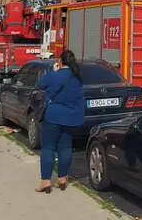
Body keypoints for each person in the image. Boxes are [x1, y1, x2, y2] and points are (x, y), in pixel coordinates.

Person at [35, 50, 85, 193]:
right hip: (72, 118)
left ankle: (45, 181)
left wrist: (53, 70)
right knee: (65, 146)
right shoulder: (77, 77)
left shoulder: (54, 75)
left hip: (53, 116)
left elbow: (40, 84)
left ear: (61, 61)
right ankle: (62, 178)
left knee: (48, 147)